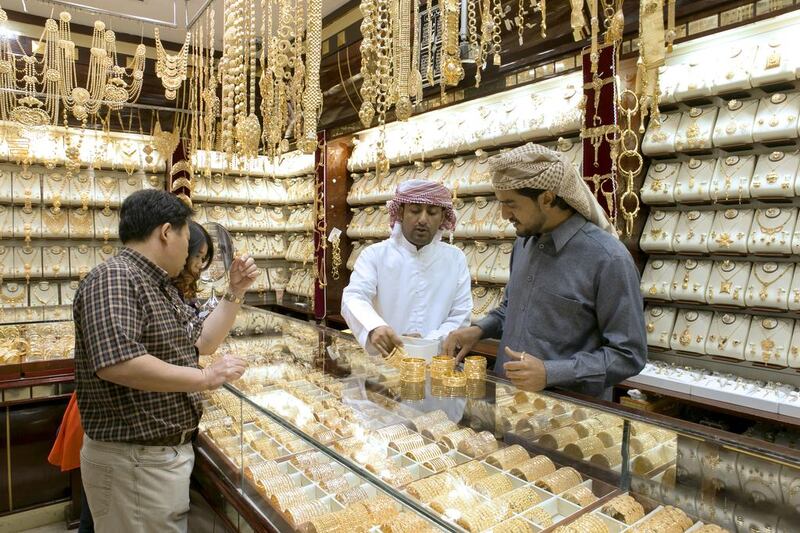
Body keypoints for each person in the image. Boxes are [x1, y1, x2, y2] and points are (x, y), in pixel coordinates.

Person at [74, 189, 258, 532]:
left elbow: (202, 342)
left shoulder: (156, 285)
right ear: (166, 232)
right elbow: (118, 363)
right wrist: (204, 379)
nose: (191, 251)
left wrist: (235, 291)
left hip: (149, 463)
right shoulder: (116, 277)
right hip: (135, 463)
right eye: (187, 235)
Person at [444, 143, 646, 399]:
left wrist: (551, 373)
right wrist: (481, 330)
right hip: (506, 403)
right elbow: (512, 308)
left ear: (547, 198)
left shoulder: (608, 260)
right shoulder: (524, 244)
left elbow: (629, 355)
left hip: (568, 418)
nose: (505, 214)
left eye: (511, 204)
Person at [342, 179, 472, 356]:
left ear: (442, 217)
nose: (423, 220)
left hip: (435, 360)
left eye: (432, 213)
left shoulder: (455, 259)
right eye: (415, 211)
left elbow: (461, 314)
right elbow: (354, 297)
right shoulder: (375, 255)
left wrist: (426, 343)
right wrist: (375, 326)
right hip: (385, 362)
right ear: (401, 212)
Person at [173, 221, 214, 311]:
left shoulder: (187, 289)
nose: (200, 264)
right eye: (197, 256)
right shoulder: (168, 292)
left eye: (203, 259)